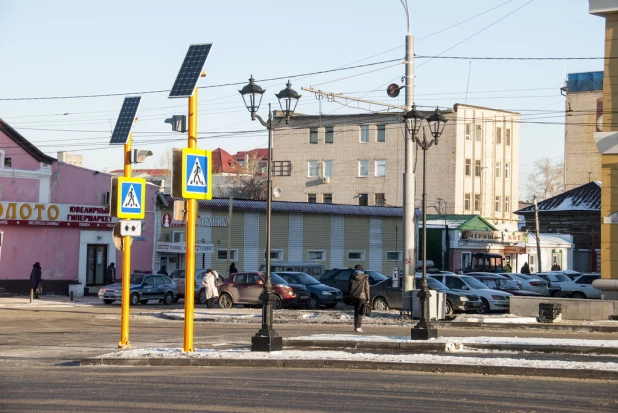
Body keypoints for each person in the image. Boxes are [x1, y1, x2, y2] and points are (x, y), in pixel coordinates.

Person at [348, 264, 370, 333]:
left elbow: (349, 285)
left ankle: (355, 326)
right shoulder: (365, 277)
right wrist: (368, 298)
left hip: (354, 296)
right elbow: (367, 288)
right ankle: (358, 327)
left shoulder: (352, 276)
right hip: (362, 296)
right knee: (360, 312)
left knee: (356, 311)